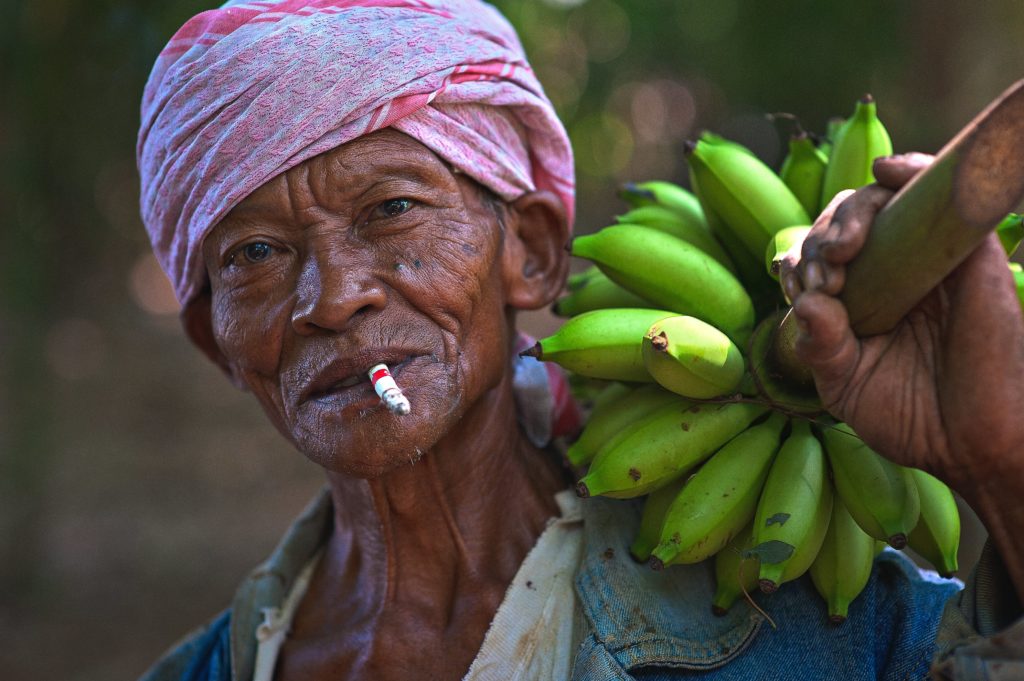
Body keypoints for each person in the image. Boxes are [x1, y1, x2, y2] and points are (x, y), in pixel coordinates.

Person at [135, 1, 1024, 679]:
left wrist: (1002, 457)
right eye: (253, 253)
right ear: (219, 343)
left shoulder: (821, 633)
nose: (332, 299)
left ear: (531, 251)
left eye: (392, 209)